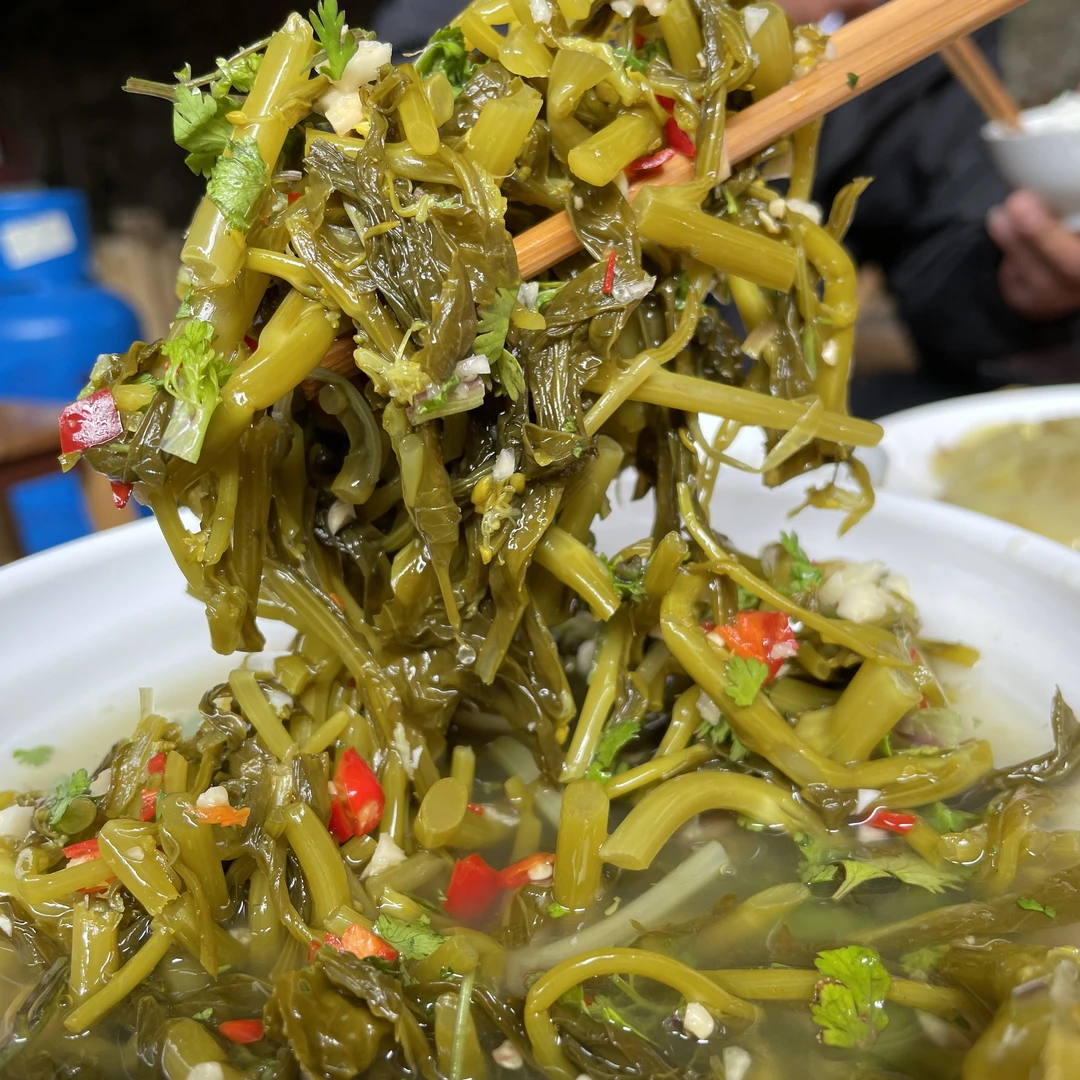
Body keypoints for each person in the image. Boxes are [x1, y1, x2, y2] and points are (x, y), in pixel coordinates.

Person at [373, 0, 1080, 400]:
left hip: (725, 400)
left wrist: (1018, 288)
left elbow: (945, 263)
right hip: (474, 364)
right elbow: (405, 73)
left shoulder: (925, 26)